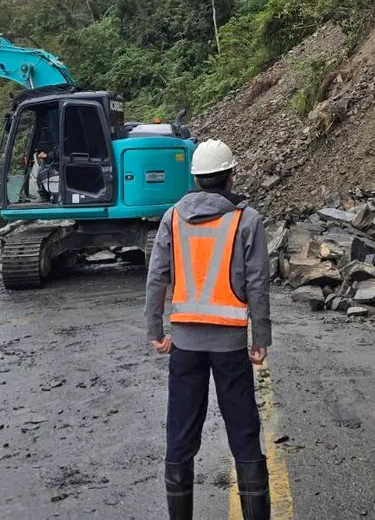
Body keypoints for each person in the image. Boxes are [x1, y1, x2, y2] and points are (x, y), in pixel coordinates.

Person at [144, 139, 272, 520]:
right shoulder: (246, 219)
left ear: (196, 179)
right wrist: (260, 338)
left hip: (184, 345)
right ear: (231, 176)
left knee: (180, 435)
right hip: (230, 347)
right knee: (244, 435)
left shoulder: (173, 217)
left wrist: (155, 329)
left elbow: (157, 278)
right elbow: (258, 283)